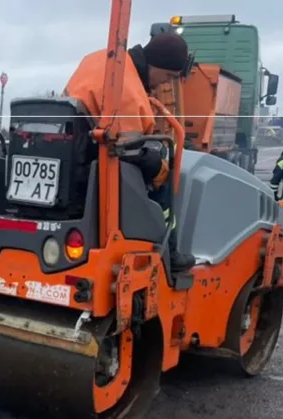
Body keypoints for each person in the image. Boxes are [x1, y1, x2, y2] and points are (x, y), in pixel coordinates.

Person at [64, 33, 195, 271]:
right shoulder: (127, 88)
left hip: (69, 152)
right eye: (168, 76)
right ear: (157, 64)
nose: (164, 84)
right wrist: (159, 167)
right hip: (91, 163)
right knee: (162, 176)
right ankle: (168, 250)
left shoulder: (99, 59)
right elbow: (128, 148)